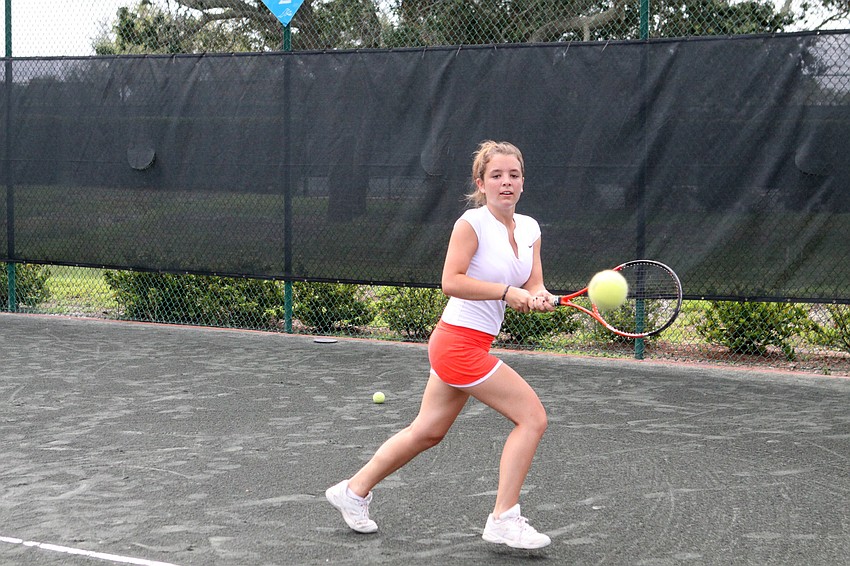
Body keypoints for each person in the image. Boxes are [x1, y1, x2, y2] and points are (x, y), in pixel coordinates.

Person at [326, 140, 554, 550]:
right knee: (532, 418)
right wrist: (505, 293)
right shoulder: (472, 223)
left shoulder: (531, 229)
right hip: (456, 344)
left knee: (427, 431)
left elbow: (532, 281)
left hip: (470, 344)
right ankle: (504, 517)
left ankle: (352, 491)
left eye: (514, 175)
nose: (506, 183)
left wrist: (537, 295)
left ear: (523, 182)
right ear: (480, 183)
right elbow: (451, 281)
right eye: (497, 176)